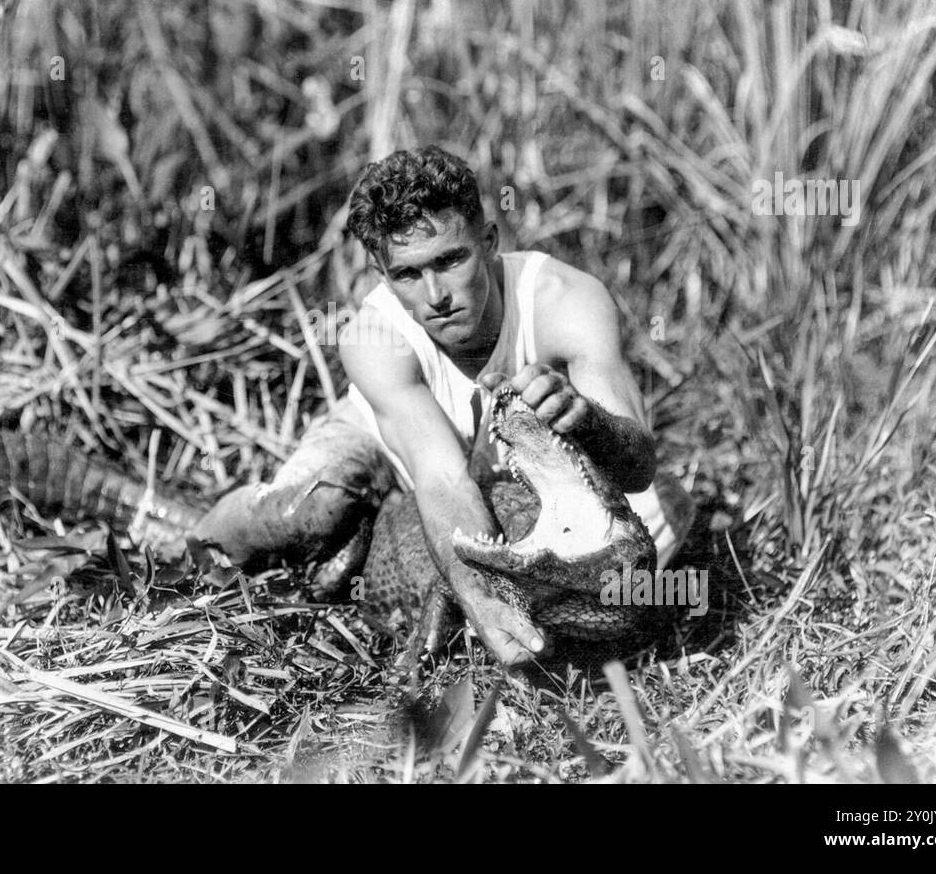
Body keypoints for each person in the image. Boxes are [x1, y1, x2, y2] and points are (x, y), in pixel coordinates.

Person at [191, 146, 694, 667]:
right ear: (382, 275)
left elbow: (638, 471)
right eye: (408, 274)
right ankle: (201, 539)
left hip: (521, 479)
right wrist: (483, 599)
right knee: (306, 513)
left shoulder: (567, 301)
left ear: (490, 242)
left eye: (451, 260)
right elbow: (442, 480)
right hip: (386, 446)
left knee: (656, 537)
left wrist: (587, 422)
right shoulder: (372, 337)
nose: (436, 295)